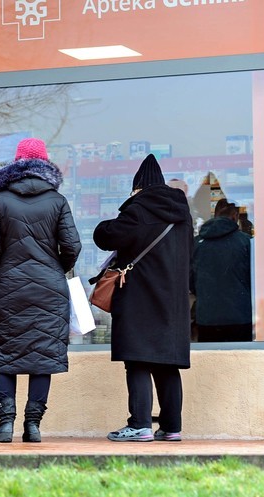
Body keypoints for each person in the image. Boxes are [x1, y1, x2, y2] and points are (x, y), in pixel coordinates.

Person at [0, 138, 81, 443]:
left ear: (16, 163)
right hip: (50, 287)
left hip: (10, 286)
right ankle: (33, 426)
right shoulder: (57, 200)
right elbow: (72, 246)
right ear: (45, 164)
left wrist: (7, 264)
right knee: (42, 354)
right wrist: (55, 268)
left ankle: (5, 423)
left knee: (7, 353)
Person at [93, 154, 194, 442]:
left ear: (138, 188)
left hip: (140, 299)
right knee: (167, 363)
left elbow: (106, 236)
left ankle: (139, 425)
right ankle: (171, 427)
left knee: (137, 360)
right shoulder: (182, 216)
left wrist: (109, 220)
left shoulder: (139, 209)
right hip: (173, 302)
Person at [192, 201, 252, 342]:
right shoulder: (246, 242)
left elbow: (190, 279)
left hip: (206, 317)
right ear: (235, 216)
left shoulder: (197, 243)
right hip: (240, 317)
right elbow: (254, 279)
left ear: (215, 214)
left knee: (209, 360)